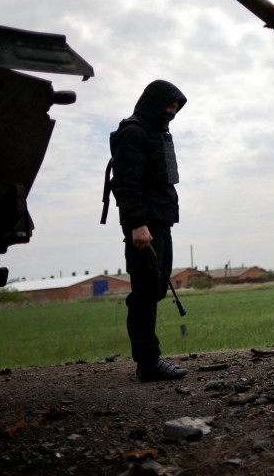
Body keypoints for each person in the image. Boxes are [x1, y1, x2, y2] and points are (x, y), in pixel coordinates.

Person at [109, 79, 190, 382]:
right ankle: (148, 361)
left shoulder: (157, 132)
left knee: (155, 287)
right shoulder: (133, 133)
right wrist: (137, 224)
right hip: (145, 226)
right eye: (169, 107)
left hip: (161, 221)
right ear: (155, 103)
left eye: (175, 110)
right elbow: (125, 183)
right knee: (144, 291)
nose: (172, 114)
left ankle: (150, 360)